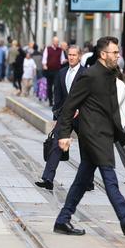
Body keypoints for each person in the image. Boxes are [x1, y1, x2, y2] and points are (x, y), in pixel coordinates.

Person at [53, 36, 125, 236]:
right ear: (103, 54)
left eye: (118, 52)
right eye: (114, 52)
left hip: (105, 134)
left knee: (81, 182)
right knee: (110, 178)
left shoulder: (109, 74)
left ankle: (63, 220)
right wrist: (63, 134)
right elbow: (69, 106)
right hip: (93, 135)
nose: (118, 55)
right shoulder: (90, 76)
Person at [36, 45, 87, 190]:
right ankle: (48, 179)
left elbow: (90, 96)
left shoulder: (86, 73)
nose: (71, 57)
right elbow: (57, 96)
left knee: (86, 148)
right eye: (69, 55)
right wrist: (56, 116)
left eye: (74, 55)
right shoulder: (62, 72)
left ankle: (87, 180)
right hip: (65, 115)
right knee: (56, 145)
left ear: (79, 56)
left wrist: (80, 108)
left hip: (82, 116)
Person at [43, 36, 66, 106]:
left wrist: (65, 60)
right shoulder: (48, 49)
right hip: (49, 70)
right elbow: (44, 58)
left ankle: (56, 100)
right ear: (53, 42)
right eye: (55, 41)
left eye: (57, 42)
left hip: (57, 70)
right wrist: (44, 65)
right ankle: (50, 100)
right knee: (49, 86)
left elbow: (62, 60)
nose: (56, 43)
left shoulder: (60, 50)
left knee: (56, 86)